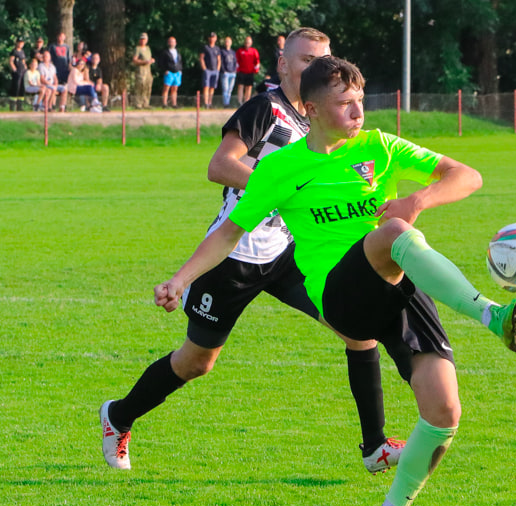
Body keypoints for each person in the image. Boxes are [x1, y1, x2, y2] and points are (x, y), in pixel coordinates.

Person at [151, 55, 516, 506]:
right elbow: (229, 231)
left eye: (360, 100)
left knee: (443, 413)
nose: (358, 111)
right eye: (344, 103)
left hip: (397, 282)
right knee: (394, 231)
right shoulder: (282, 167)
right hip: (339, 294)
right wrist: (180, 279)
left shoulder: (380, 146)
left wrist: (419, 199)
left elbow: (467, 175)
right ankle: (492, 314)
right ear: (311, 109)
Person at [100, 28, 408, 478]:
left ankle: (375, 446)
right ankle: (119, 416)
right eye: (304, 60)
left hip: (287, 254)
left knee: (356, 329)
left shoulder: (321, 116)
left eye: (322, 60)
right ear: (283, 65)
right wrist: (277, 191)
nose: (314, 68)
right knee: (196, 362)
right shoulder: (266, 108)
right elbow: (220, 166)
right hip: (234, 258)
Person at [132, 33, 155, 109]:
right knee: (140, 86)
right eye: (141, 39)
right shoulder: (137, 49)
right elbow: (134, 60)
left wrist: (151, 60)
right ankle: (138, 103)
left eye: (144, 39)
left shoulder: (148, 49)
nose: (143, 41)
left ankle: (146, 103)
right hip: (140, 70)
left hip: (148, 70)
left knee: (147, 86)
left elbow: (150, 58)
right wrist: (143, 62)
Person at [159, 37, 183, 108]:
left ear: (175, 43)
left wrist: (180, 70)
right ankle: (164, 104)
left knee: (175, 89)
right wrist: (165, 70)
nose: (172, 43)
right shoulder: (165, 52)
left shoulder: (177, 52)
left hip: (177, 73)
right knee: (166, 88)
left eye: (173, 42)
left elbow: (180, 62)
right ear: (168, 43)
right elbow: (161, 62)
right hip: (169, 72)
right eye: (170, 42)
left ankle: (174, 104)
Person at [235, 36, 259, 106]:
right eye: (246, 42)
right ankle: (239, 101)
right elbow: (236, 61)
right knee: (240, 86)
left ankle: (246, 102)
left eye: (248, 42)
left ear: (251, 43)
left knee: (249, 87)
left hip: (250, 72)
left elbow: (257, 62)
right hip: (241, 72)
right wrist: (237, 70)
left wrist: (256, 70)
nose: (247, 44)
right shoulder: (240, 51)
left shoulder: (254, 51)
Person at [199, 32, 221, 109]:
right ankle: (205, 103)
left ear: (216, 38)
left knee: (212, 87)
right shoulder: (205, 47)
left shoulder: (217, 48)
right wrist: (204, 68)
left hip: (215, 70)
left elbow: (219, 59)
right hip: (207, 70)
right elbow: (201, 58)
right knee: (206, 86)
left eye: (213, 37)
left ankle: (210, 102)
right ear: (209, 38)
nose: (212, 39)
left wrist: (218, 69)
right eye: (211, 37)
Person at [8, 39, 27, 111]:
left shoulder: (22, 52)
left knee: (21, 88)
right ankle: (12, 105)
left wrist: (25, 67)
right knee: (16, 87)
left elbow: (23, 60)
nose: (21, 44)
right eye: (19, 43)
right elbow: (11, 61)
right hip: (17, 72)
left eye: (22, 43)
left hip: (22, 71)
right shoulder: (14, 51)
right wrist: (14, 69)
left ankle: (20, 106)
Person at [220, 36, 237, 107]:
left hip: (232, 73)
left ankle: (228, 102)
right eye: (226, 41)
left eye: (229, 42)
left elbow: (235, 62)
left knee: (230, 89)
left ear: (231, 43)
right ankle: (225, 103)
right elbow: (221, 62)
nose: (227, 43)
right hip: (225, 73)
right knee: (225, 89)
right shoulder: (222, 51)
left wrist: (235, 70)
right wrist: (224, 70)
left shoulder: (233, 52)